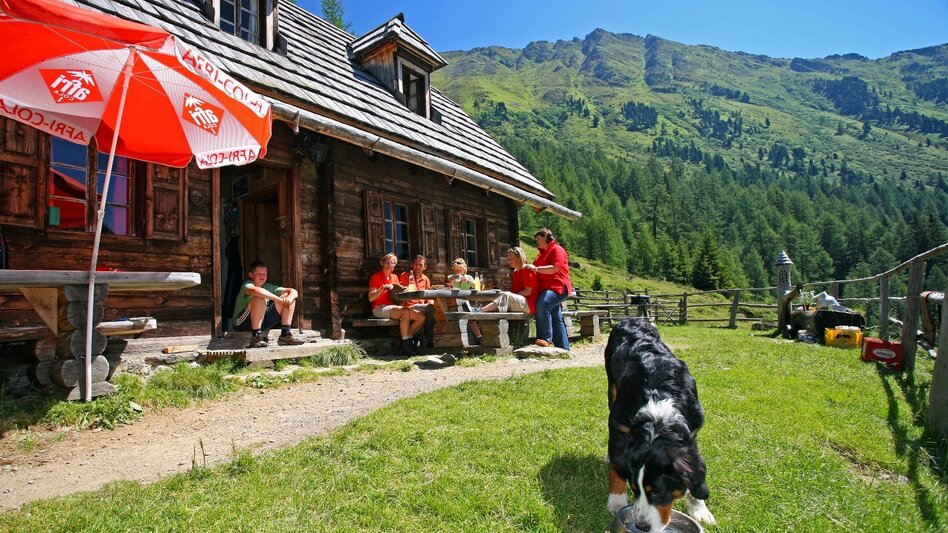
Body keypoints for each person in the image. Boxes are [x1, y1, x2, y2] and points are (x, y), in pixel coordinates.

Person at [231, 260, 305, 348]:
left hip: (261, 321)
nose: (262, 276)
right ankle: (256, 337)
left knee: (288, 297)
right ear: (251, 275)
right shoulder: (247, 285)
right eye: (259, 274)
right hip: (242, 322)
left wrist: (289, 298)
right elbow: (257, 291)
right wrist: (278, 299)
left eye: (264, 274)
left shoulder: (268, 286)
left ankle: (285, 335)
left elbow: (293, 291)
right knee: (259, 298)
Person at [524, 228, 572, 350]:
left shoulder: (557, 250)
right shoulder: (541, 254)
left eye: (538, 239)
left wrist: (535, 269)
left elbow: (555, 268)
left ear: (546, 236)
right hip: (546, 289)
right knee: (556, 317)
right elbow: (534, 269)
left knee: (543, 305)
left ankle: (545, 339)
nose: (537, 242)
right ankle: (563, 348)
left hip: (558, 287)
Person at [369, 253, 426, 354]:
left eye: (392, 263)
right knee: (405, 312)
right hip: (379, 308)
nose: (390, 265)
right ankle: (406, 345)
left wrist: (404, 290)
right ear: (382, 263)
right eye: (388, 262)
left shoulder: (394, 277)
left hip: (393, 307)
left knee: (421, 318)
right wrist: (383, 288)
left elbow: (397, 294)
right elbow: (371, 298)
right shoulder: (376, 277)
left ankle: (407, 341)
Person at [480, 247, 538, 315]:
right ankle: (478, 317)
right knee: (501, 297)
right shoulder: (515, 272)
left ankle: (480, 311)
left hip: (528, 305)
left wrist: (512, 295)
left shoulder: (527, 270)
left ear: (519, 258)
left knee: (506, 296)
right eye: (508, 259)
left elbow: (528, 291)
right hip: (518, 302)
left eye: (511, 259)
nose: (508, 261)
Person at [399, 255, 436, 348]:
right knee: (428, 312)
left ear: (425, 267)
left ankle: (408, 341)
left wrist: (431, 303)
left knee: (433, 309)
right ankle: (428, 339)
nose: (418, 267)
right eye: (416, 264)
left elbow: (429, 295)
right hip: (409, 306)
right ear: (412, 265)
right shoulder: (405, 276)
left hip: (422, 307)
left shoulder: (426, 279)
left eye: (420, 265)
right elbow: (401, 293)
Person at [445, 257, 483, 344]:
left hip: (465, 302)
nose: (457, 272)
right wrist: (451, 281)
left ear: (464, 270)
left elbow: (477, 286)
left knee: (470, 315)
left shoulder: (468, 277)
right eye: (455, 271)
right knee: (468, 314)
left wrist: (468, 281)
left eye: (459, 270)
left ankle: (479, 337)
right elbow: (444, 287)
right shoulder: (450, 277)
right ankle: (477, 336)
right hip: (452, 303)